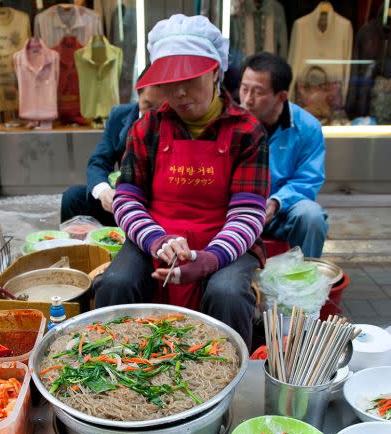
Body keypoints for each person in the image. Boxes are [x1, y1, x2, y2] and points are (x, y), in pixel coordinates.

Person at [94, 15, 270, 348]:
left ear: (216, 71)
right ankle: (117, 370)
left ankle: (226, 386)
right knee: (115, 284)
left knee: (227, 293)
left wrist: (208, 259)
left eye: (190, 79)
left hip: (226, 240)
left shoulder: (248, 132)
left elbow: (248, 216)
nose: (179, 92)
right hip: (156, 235)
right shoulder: (148, 128)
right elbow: (127, 199)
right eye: (169, 82)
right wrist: (157, 241)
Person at [239, 52, 328, 258]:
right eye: (244, 89)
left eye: (258, 92)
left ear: (281, 96)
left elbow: (308, 180)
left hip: (283, 211)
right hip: (239, 208)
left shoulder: (307, 127)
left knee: (311, 216)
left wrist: (277, 202)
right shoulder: (232, 123)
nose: (248, 100)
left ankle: (304, 283)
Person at [60, 75, 163, 225]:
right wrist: (104, 192)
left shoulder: (174, 119)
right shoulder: (119, 115)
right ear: (138, 94)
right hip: (122, 196)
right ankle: (77, 246)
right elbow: (99, 161)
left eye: (159, 107)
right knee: (73, 197)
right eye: (147, 105)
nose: (153, 114)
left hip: (157, 203)